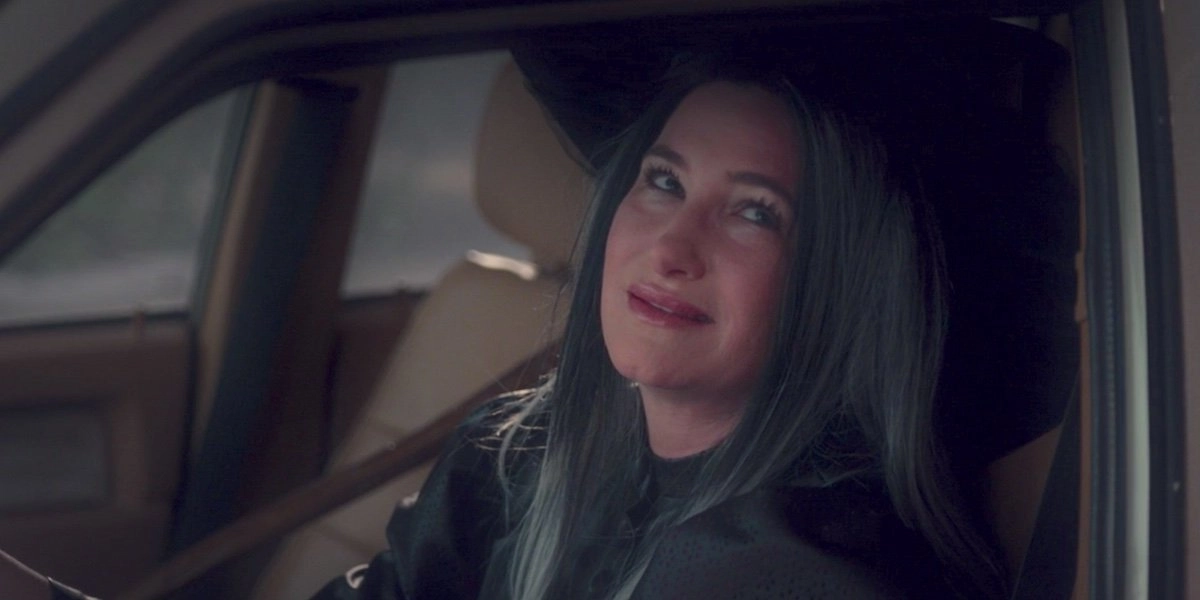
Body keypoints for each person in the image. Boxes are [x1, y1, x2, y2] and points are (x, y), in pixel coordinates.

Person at [2, 55, 1007, 599]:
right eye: (662, 181)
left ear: (834, 285)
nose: (673, 246)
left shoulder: (802, 568)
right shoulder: (518, 453)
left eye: (755, 211)